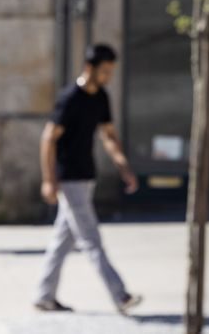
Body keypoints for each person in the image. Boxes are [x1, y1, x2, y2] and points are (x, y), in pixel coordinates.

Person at [34, 44, 142, 314]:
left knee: (63, 240)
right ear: (89, 68)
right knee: (91, 240)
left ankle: (44, 295)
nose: (108, 77)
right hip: (69, 179)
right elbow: (48, 138)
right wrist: (49, 179)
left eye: (111, 72)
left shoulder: (101, 98)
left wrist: (123, 167)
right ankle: (121, 296)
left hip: (87, 176)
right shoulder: (69, 98)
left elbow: (108, 135)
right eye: (104, 71)